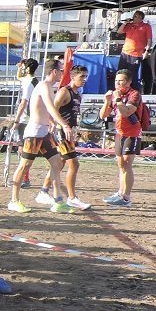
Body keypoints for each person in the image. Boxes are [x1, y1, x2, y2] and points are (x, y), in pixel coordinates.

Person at [7, 59, 73, 214]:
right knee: (24, 166)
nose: (63, 73)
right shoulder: (44, 86)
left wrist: (51, 121)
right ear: (54, 71)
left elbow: (43, 108)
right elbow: (50, 106)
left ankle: (57, 200)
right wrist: (63, 124)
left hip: (44, 133)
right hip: (34, 133)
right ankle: (14, 201)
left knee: (57, 163)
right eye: (61, 70)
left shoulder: (49, 86)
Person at [38, 66, 91, 210]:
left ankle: (43, 191)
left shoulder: (78, 94)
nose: (84, 79)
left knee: (59, 164)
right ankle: (72, 198)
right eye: (82, 77)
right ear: (73, 77)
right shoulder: (64, 91)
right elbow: (52, 109)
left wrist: (74, 128)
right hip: (61, 134)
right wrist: (57, 125)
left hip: (69, 133)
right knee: (74, 164)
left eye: (86, 76)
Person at [99, 69, 144, 208]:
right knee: (120, 165)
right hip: (120, 132)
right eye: (116, 81)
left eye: (121, 80)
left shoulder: (134, 94)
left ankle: (126, 197)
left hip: (132, 133)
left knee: (126, 163)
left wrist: (118, 98)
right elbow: (103, 115)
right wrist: (107, 102)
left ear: (129, 82)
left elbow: (126, 112)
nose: (118, 83)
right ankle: (120, 192)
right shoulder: (114, 95)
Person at [8, 58, 39, 188]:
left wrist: (16, 119)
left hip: (25, 119)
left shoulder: (29, 83)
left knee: (23, 149)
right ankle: (24, 178)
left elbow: (23, 103)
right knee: (24, 149)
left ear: (27, 68)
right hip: (30, 118)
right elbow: (19, 76)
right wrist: (20, 67)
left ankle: (24, 179)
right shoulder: (34, 80)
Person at [115, 10, 151, 90]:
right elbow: (119, 31)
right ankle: (119, 89)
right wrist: (125, 23)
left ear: (141, 18)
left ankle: (131, 90)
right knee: (120, 72)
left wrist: (147, 51)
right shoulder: (129, 25)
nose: (135, 18)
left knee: (132, 74)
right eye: (134, 16)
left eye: (137, 16)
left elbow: (149, 39)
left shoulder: (146, 26)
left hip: (136, 54)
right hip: (125, 52)